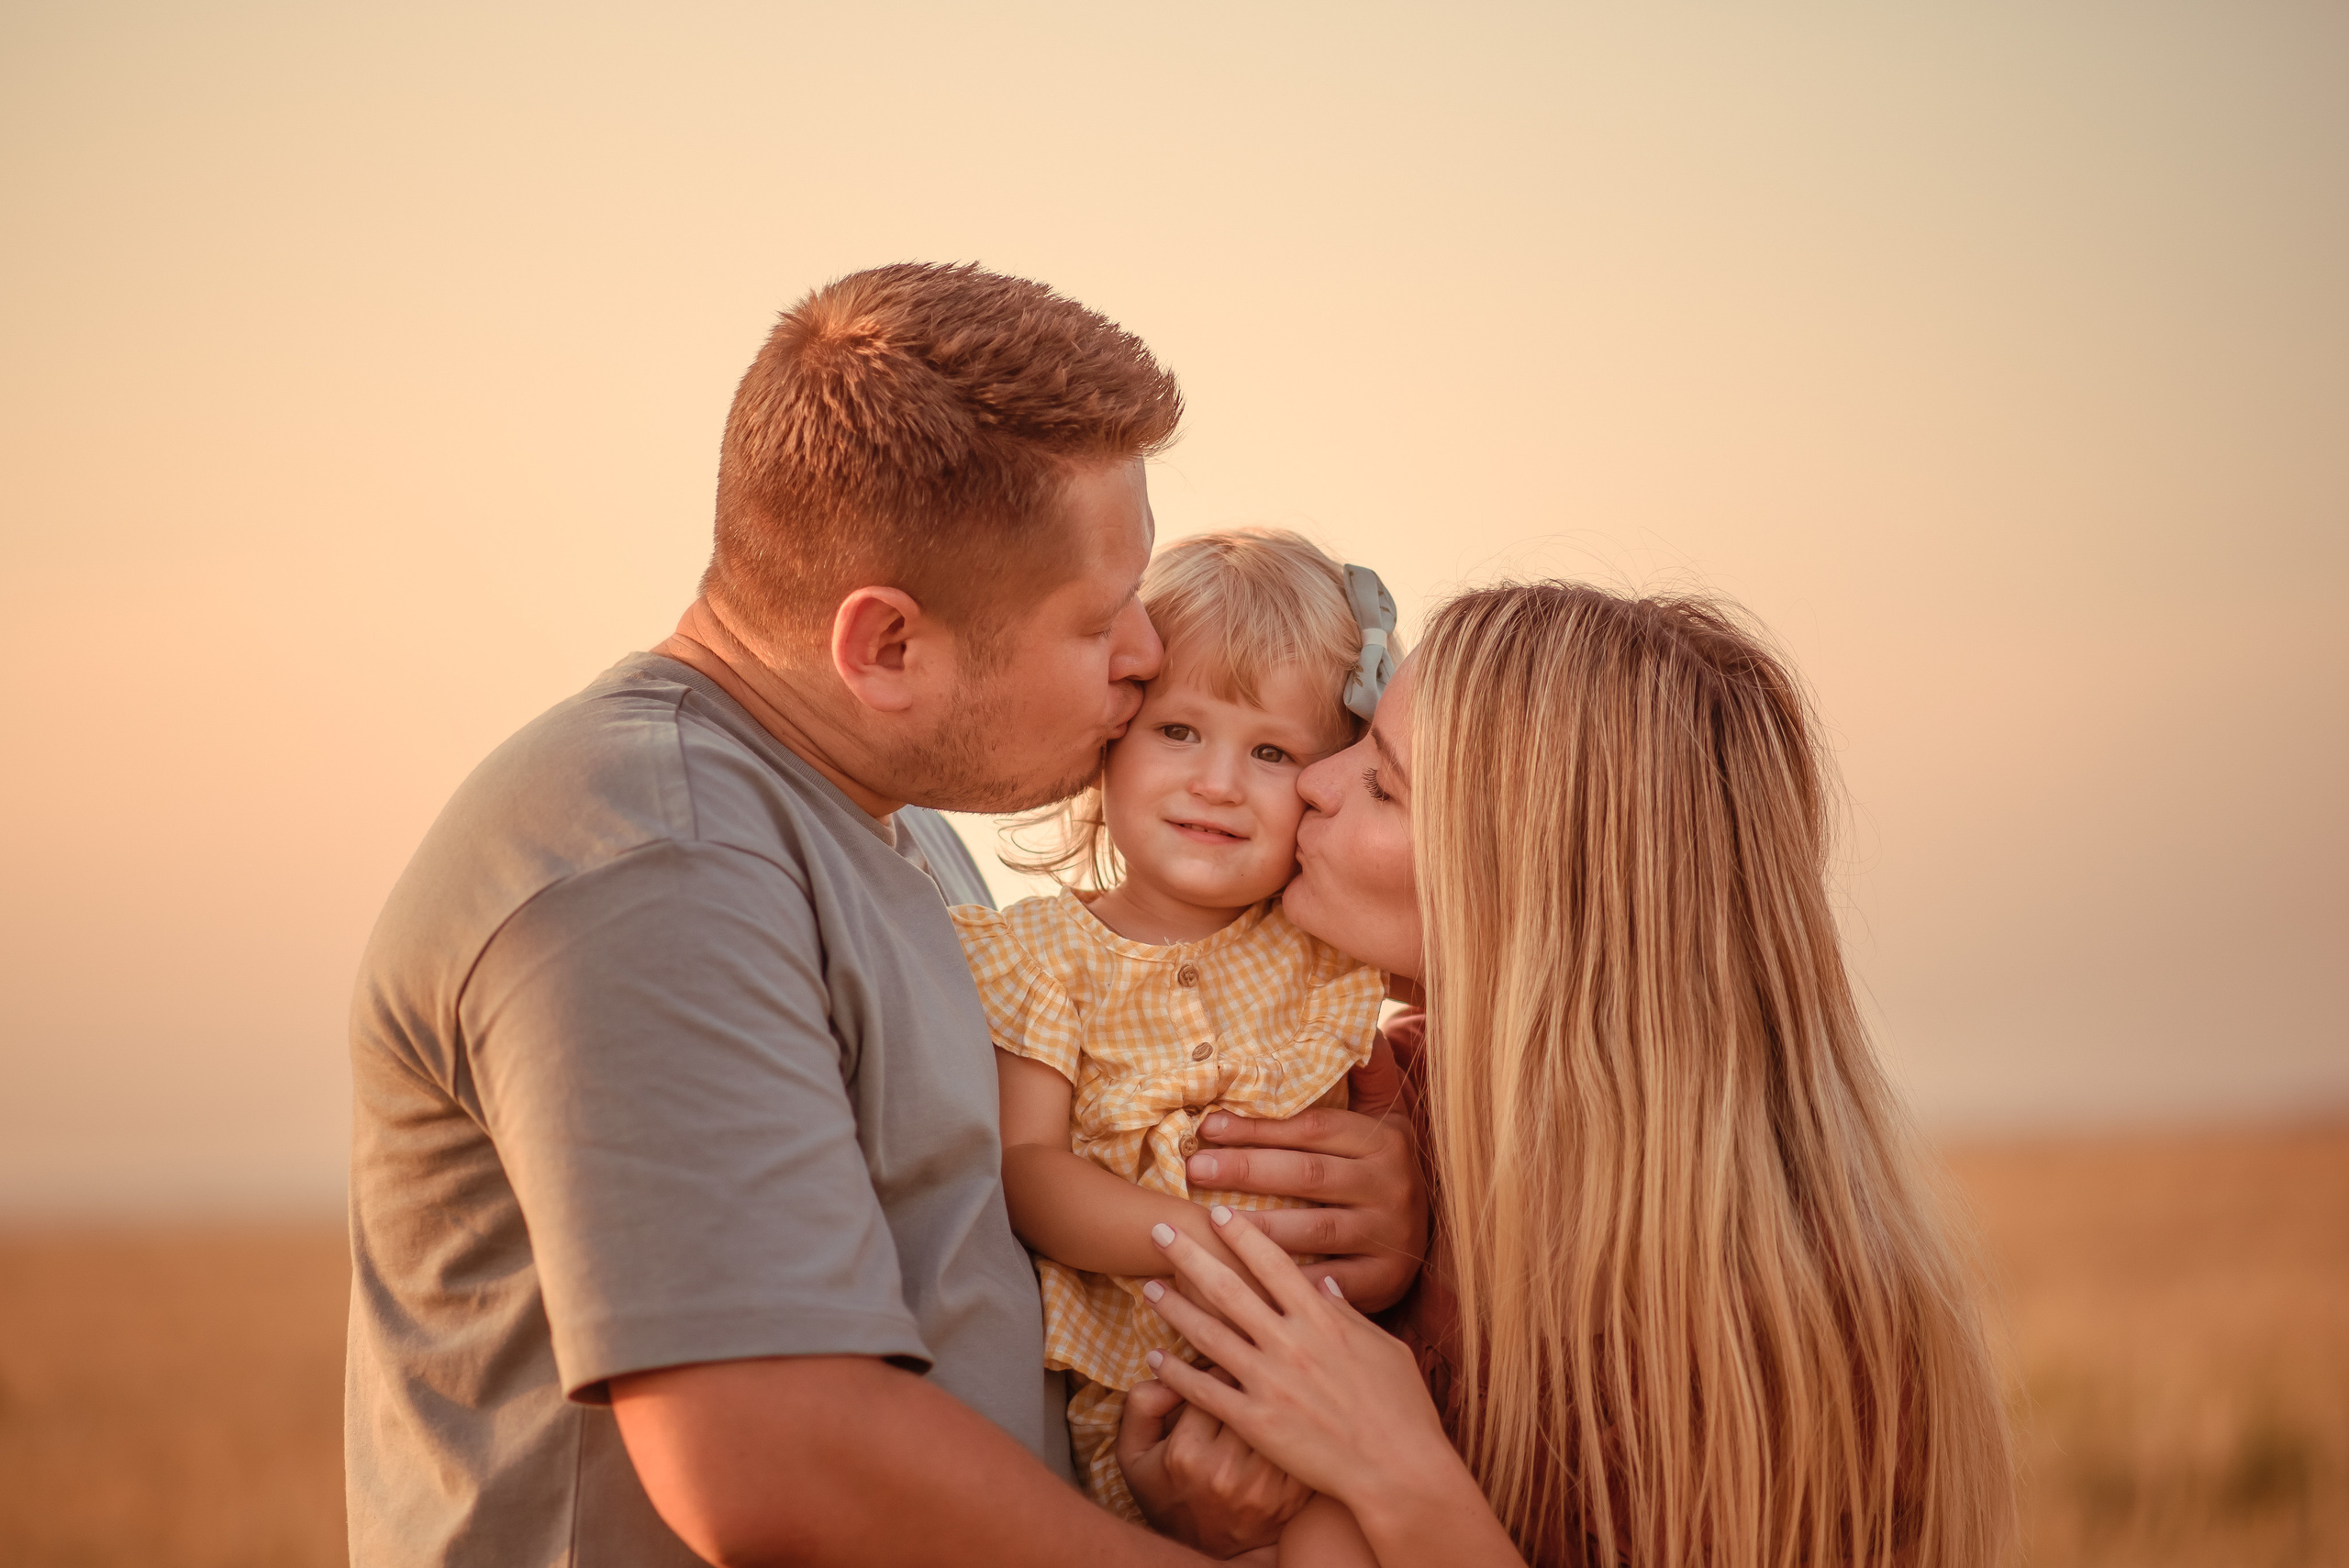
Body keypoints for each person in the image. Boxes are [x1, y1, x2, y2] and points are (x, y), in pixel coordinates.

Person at [343, 263, 1427, 1567]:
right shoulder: (654, 861)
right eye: (1101, 619)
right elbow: (775, 1455)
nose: (1147, 655)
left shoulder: (891, 836)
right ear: (887, 647)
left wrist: (1353, 1211)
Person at [1130, 583, 2020, 1567]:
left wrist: (1399, 1471)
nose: (1311, 780)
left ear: (1524, 892)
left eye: (1383, 783)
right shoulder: (1360, 1101)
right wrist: (1201, 1528)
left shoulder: (1798, 1321)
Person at [951, 529, 1397, 1529]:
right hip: (1148, 1388)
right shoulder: (1046, 954)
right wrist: (1202, 1240)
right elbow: (1029, 1168)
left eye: (1272, 752)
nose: (1218, 782)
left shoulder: (1323, 951)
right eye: (1180, 730)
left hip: (1335, 1369)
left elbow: (1363, 1146)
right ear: (1109, 740)